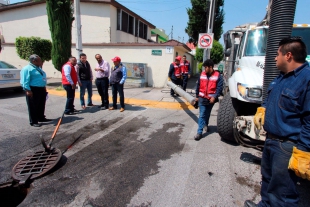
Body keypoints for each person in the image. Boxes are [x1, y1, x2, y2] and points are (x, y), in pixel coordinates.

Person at [244, 37, 310, 207]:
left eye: (277, 54)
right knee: (267, 182)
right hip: (271, 141)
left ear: (288, 55)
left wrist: (303, 150)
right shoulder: (281, 78)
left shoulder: (306, 80)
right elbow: (270, 98)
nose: (274, 58)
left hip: (288, 146)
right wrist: (263, 108)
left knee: (283, 193)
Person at [194, 59, 223, 141]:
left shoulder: (218, 75)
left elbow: (219, 88)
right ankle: (199, 132)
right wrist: (197, 96)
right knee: (202, 114)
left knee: (207, 114)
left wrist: (214, 96)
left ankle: (206, 124)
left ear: (210, 67)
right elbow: (198, 85)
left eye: (206, 67)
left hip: (211, 100)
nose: (204, 69)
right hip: (202, 98)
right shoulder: (202, 74)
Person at [20, 54, 51, 127]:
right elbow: (24, 81)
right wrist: (27, 90)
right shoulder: (27, 69)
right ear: (34, 61)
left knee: (41, 104)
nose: (41, 61)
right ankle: (34, 121)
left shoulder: (38, 68)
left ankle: (41, 117)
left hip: (41, 89)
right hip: (33, 89)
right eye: (40, 60)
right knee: (33, 106)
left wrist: (44, 87)